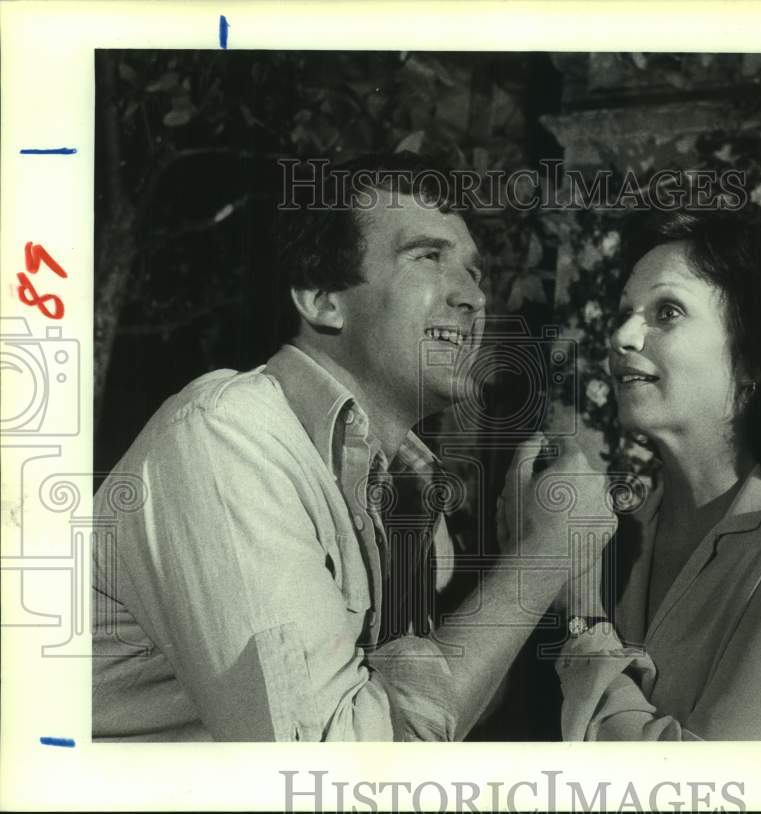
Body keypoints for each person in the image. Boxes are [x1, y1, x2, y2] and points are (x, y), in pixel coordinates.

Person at [91, 152, 616, 741]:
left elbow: (441, 721)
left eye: (475, 272)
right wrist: (543, 556)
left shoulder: (413, 492)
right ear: (321, 298)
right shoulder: (228, 442)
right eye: (427, 258)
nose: (471, 296)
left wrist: (515, 551)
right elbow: (326, 773)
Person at [552, 206, 761, 740]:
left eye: (667, 313)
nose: (622, 337)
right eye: (624, 313)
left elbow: (710, 790)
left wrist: (584, 621)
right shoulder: (611, 535)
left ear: (754, 357)